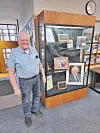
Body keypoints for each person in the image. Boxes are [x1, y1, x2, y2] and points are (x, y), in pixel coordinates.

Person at [8, 32, 46, 127]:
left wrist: (43, 75)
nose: (25, 41)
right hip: (24, 81)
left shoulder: (33, 50)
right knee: (26, 100)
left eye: (27, 40)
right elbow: (11, 72)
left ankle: (35, 110)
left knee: (37, 96)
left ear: (29, 41)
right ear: (18, 41)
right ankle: (27, 115)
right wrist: (15, 88)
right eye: (23, 40)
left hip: (36, 78)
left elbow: (39, 63)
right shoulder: (14, 53)